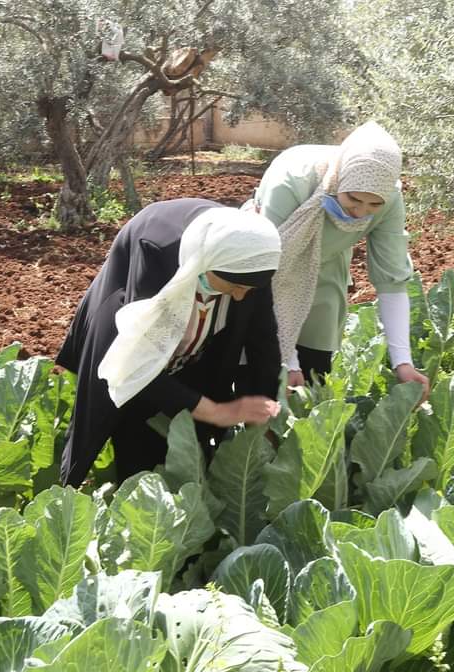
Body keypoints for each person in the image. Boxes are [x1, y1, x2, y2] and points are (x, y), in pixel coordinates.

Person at [56, 198, 282, 488]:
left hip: (193, 334)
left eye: (248, 289)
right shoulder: (157, 252)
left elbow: (263, 341)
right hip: (130, 326)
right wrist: (214, 411)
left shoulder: (251, 262)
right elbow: (136, 362)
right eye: (235, 287)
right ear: (206, 265)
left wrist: (263, 413)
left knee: (190, 438)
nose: (240, 296)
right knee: (130, 425)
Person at [245, 121, 430, 398]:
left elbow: (392, 281)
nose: (361, 212)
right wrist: (287, 359)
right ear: (340, 179)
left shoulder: (390, 198)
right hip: (268, 262)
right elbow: (269, 272)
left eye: (374, 205)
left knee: (315, 365)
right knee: (263, 366)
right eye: (353, 199)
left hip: (328, 260)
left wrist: (403, 363)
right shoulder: (293, 182)